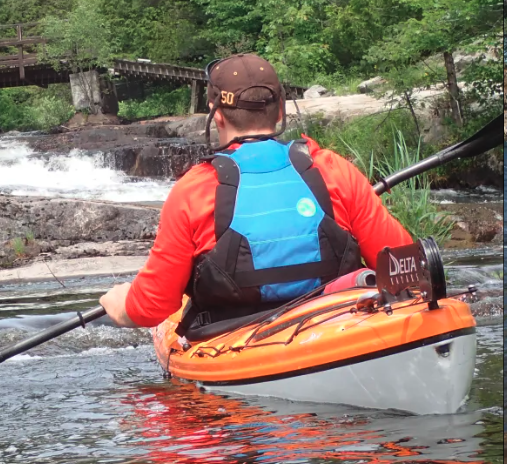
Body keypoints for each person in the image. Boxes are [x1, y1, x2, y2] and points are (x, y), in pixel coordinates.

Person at [99, 53, 413, 333]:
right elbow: (404, 267)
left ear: (216, 114)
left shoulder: (193, 190)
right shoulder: (333, 170)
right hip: (337, 323)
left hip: (235, 338)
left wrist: (120, 303)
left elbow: (152, 307)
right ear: (280, 111)